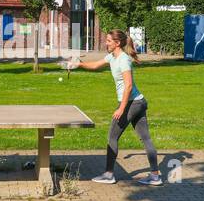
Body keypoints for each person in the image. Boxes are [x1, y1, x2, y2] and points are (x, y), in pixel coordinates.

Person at [66, 29, 161, 185]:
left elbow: (128, 86)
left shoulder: (124, 60)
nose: (106, 43)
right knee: (146, 138)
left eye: (109, 41)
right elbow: (96, 65)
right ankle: (155, 176)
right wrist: (79, 64)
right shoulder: (112, 57)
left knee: (112, 137)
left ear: (117, 43)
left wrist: (121, 108)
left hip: (131, 103)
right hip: (139, 101)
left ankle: (109, 174)